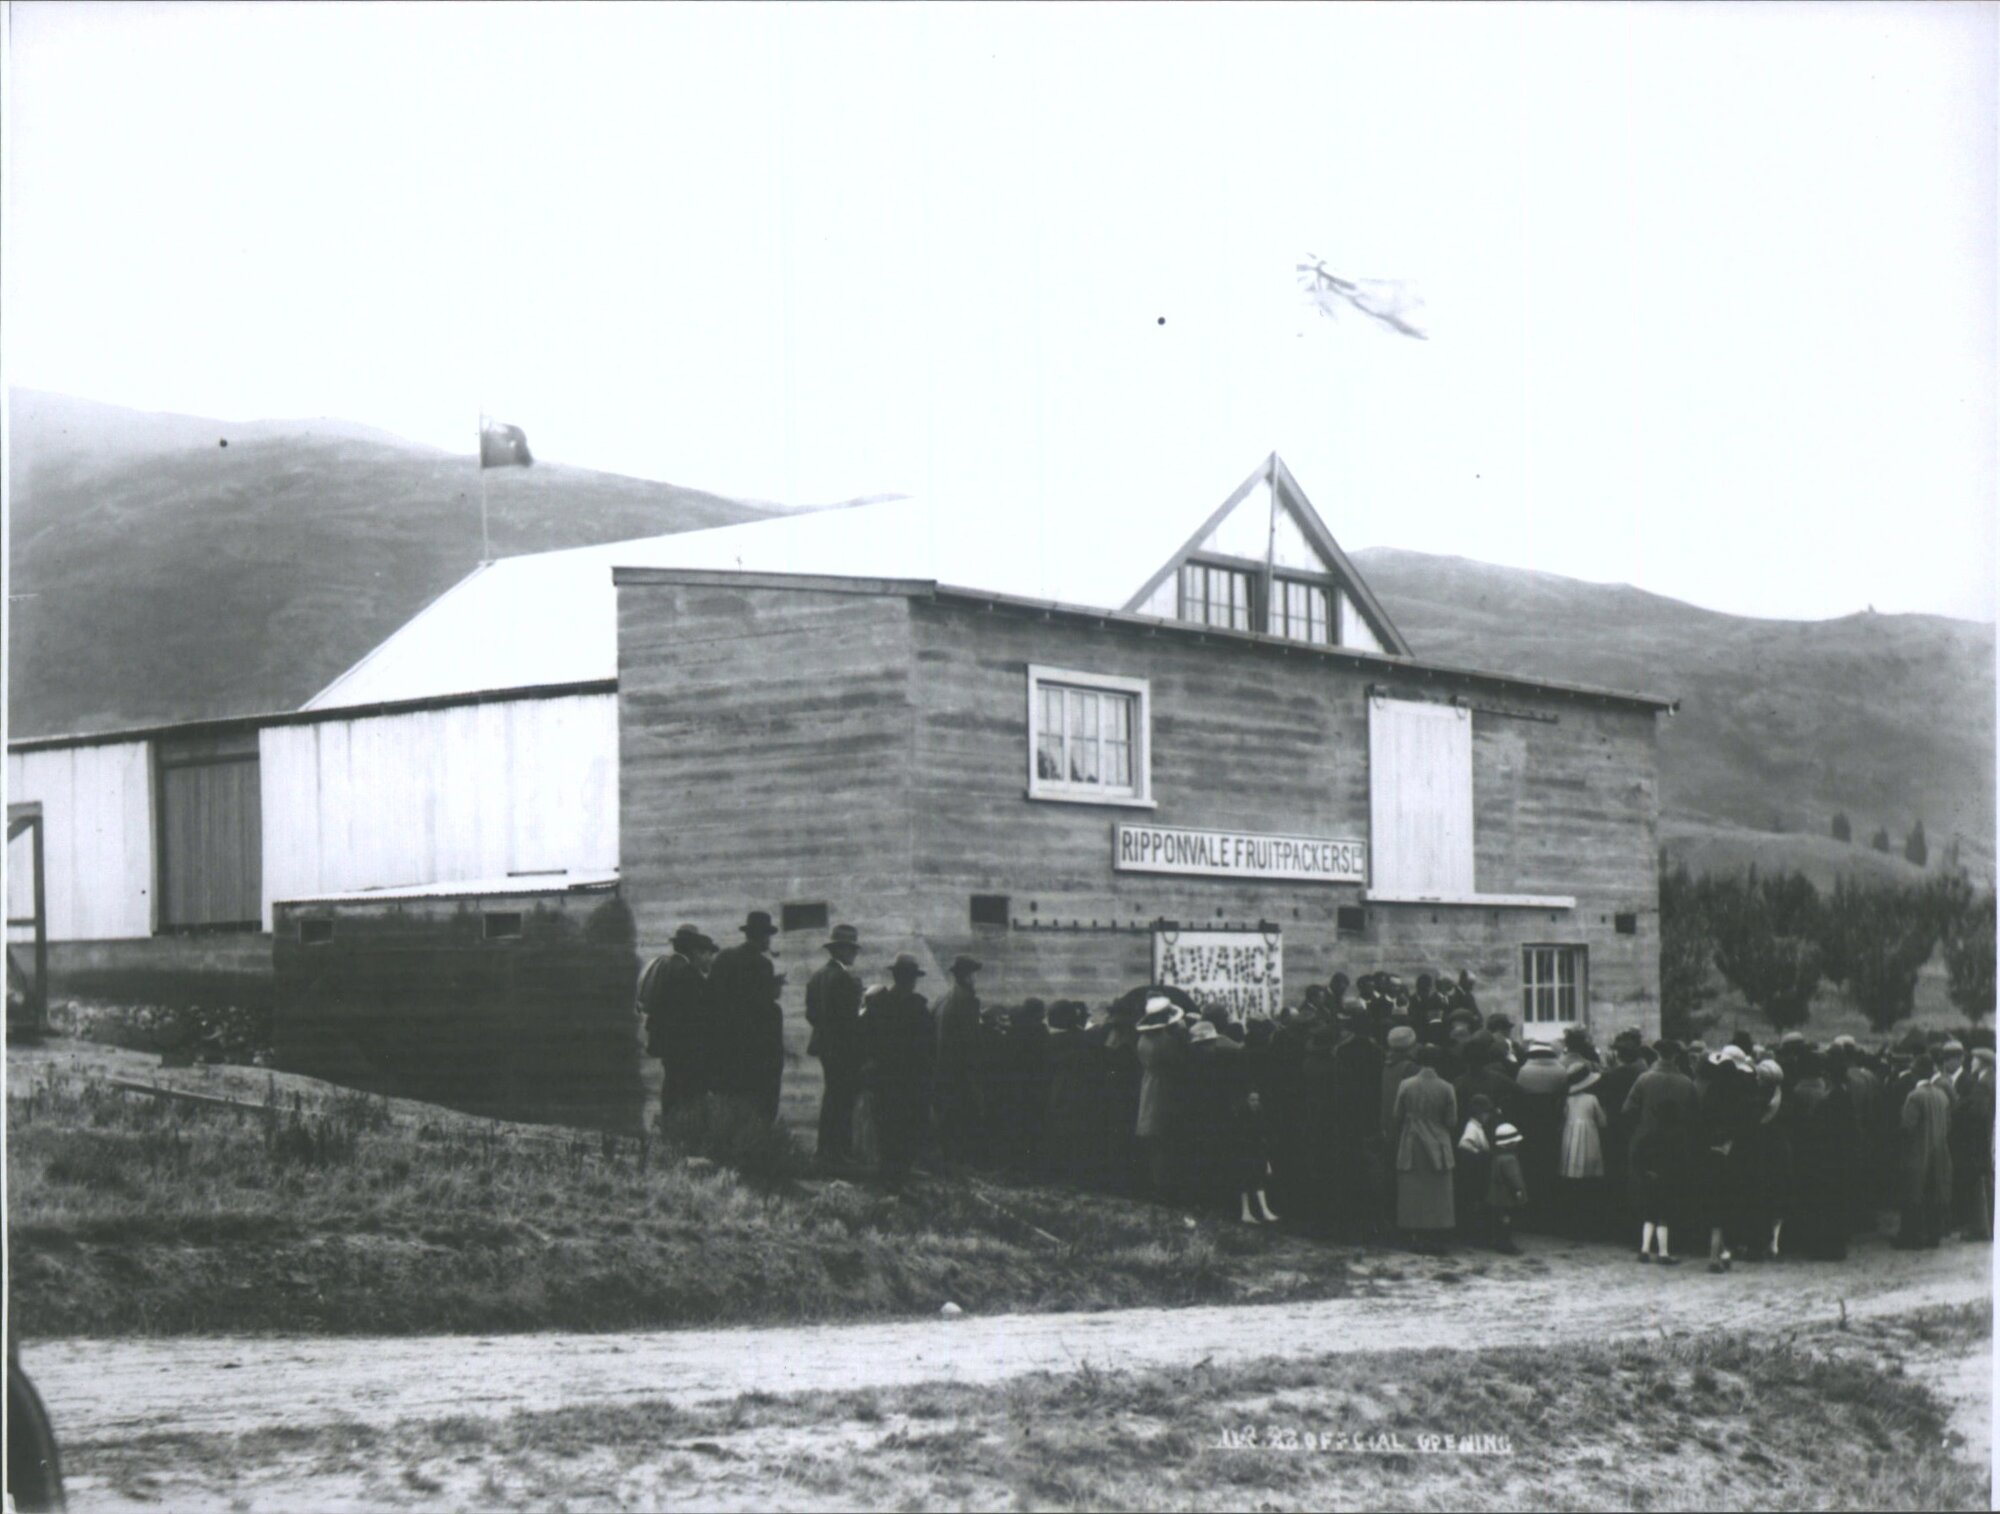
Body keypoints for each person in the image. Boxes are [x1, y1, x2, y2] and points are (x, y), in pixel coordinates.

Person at [859, 953, 935, 1182]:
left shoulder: (878, 1004)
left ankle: (888, 1175)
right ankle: (900, 1176)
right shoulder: (918, 1007)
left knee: (886, 1126)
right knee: (908, 1128)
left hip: (884, 1077)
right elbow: (928, 1048)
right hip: (910, 1080)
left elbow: (864, 1039)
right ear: (912, 980)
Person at [707, 910, 785, 1123]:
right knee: (755, 1109)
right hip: (752, 1052)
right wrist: (774, 988)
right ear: (764, 937)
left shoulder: (723, 958)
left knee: (728, 1108)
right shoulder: (762, 964)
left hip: (724, 1048)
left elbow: (713, 998)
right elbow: (761, 1004)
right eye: (768, 936)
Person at [1626, 1039, 1697, 1265]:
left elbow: (1628, 1109)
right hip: (1678, 1145)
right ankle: (1666, 1247)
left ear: (1657, 1054)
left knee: (1647, 1198)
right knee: (1670, 1199)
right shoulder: (1687, 1083)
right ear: (1676, 1056)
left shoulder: (1644, 1079)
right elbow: (1695, 1115)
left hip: (1645, 1141)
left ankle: (1644, 1246)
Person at [638, 923, 717, 1126]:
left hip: (669, 1046)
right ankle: (679, 1131)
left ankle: (670, 1129)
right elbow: (694, 1017)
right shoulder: (687, 974)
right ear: (694, 950)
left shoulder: (665, 966)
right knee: (686, 1096)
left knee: (672, 1089)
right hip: (686, 1049)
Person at [804, 923, 865, 1163]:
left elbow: (811, 1014)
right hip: (842, 1048)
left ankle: (825, 1149)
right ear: (839, 950)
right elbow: (848, 1020)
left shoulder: (818, 976)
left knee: (832, 1095)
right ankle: (839, 1151)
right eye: (851, 949)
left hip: (824, 1046)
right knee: (842, 1098)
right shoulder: (843, 979)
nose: (854, 953)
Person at [1391, 1044, 1458, 1252]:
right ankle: (1436, 1235)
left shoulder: (1406, 1084)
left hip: (1412, 1140)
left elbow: (1397, 1115)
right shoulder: (1447, 1087)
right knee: (1438, 1191)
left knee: (1413, 1188)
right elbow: (1452, 1121)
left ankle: (1415, 1235)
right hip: (1438, 1142)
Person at [928, 954, 983, 1164]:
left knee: (946, 1117)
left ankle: (946, 1161)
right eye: (974, 975)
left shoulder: (943, 998)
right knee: (959, 1117)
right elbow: (970, 1041)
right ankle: (955, 1165)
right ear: (968, 976)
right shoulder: (966, 1001)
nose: (976, 979)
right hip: (957, 1069)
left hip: (940, 1067)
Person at [1895, 1054, 1954, 1249]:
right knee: (1934, 1193)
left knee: (1913, 1193)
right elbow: (1948, 1123)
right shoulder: (1941, 1095)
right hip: (1939, 1152)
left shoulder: (1915, 1096)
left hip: (1917, 1153)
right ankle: (1933, 1235)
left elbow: (1907, 1127)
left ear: (1917, 1072)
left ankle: (1911, 1237)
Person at [1135, 998, 1188, 1201]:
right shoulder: (1165, 1041)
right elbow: (1179, 1062)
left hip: (1149, 1085)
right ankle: (1165, 1188)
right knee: (1164, 1136)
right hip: (1164, 1088)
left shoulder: (1144, 1039)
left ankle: (1156, 1183)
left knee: (1154, 1136)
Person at [1042, 1001, 1094, 1184]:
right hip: (1081, 1091)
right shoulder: (1083, 1039)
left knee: (1058, 1130)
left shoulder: (1051, 1041)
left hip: (1059, 1090)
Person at [1558, 1063, 1608, 1237]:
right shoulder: (1592, 1099)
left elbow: (1564, 1117)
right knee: (1589, 1171)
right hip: (1589, 1136)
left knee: (1571, 1167)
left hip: (1570, 1135)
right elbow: (1602, 1121)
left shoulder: (1568, 1100)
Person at [1487, 1123, 1527, 1253]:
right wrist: (1518, 1190)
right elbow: (1514, 1177)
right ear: (1510, 1143)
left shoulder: (1496, 1157)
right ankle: (1506, 1244)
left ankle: (1497, 1241)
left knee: (1498, 1219)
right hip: (1507, 1197)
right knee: (1507, 1220)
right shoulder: (1510, 1159)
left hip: (1496, 1196)